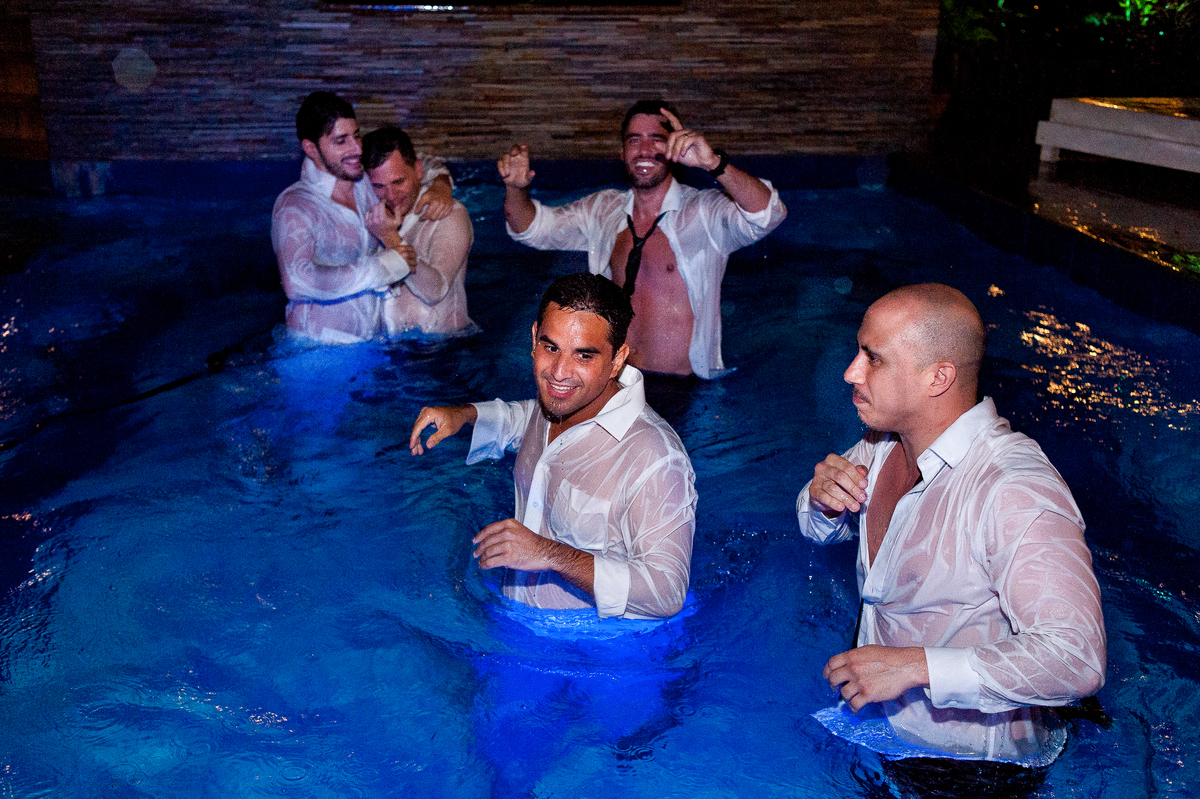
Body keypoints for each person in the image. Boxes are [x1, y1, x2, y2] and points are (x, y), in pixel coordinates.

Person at [796, 283, 1106, 765]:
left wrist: (917, 667)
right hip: (882, 722)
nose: (850, 372)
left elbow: (1076, 658)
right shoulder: (884, 444)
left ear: (938, 377)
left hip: (971, 765)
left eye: (873, 359)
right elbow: (821, 526)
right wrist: (821, 501)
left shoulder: (1013, 490)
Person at [409, 273, 697, 619]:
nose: (559, 372)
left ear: (618, 359)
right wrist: (466, 414)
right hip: (515, 622)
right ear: (533, 339)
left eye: (584, 356)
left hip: (598, 654)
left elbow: (666, 592)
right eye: (551, 347)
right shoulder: (556, 404)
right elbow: (524, 420)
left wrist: (549, 554)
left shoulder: (654, 457)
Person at [497, 101, 786, 379]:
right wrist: (514, 187)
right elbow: (531, 229)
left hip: (679, 387)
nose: (644, 150)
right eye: (634, 141)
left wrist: (714, 164)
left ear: (676, 146)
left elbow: (769, 214)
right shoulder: (603, 210)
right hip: (613, 381)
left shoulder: (703, 213)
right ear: (622, 152)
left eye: (657, 139)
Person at [271, 91, 456, 343]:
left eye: (356, 135)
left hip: (372, 345)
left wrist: (440, 185)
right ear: (310, 148)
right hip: (317, 350)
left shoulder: (364, 183)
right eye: (341, 141)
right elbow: (296, 281)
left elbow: (422, 162)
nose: (357, 149)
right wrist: (379, 270)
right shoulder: (295, 205)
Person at [362, 125, 476, 338]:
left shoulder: (449, 214)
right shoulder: (375, 217)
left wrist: (392, 240)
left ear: (418, 170)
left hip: (441, 350)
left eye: (398, 181)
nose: (391, 195)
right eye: (379, 186)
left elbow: (436, 290)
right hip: (389, 350)